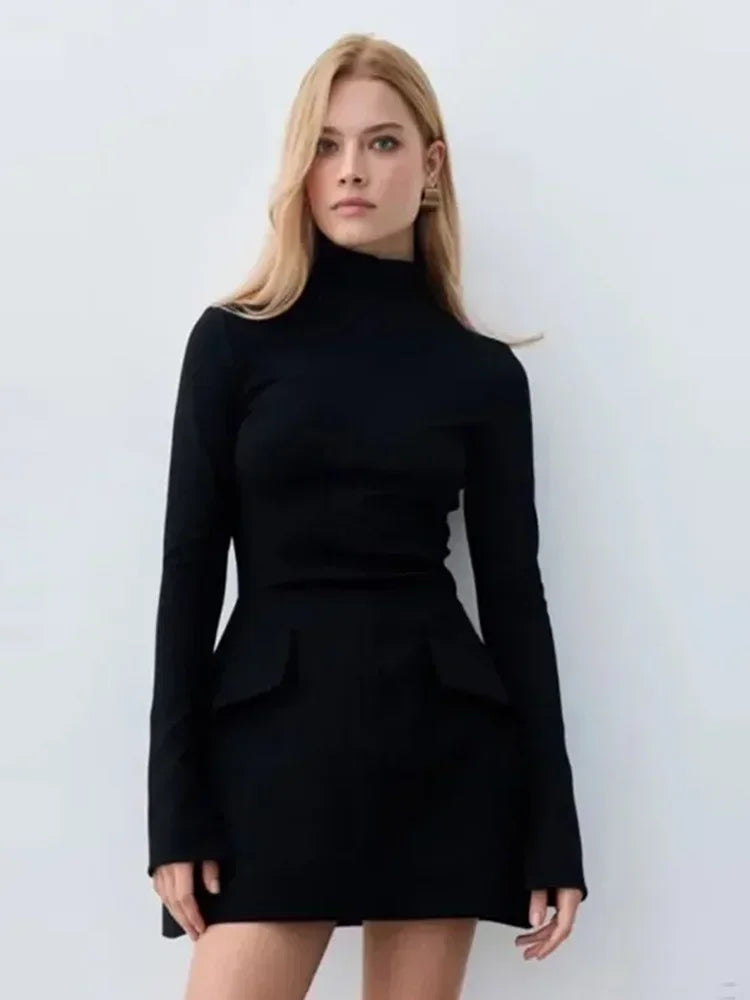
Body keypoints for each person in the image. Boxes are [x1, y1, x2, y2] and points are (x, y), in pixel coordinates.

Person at [146, 31, 588, 1000]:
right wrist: (173, 811)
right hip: (271, 747)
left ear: (430, 167)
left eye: (383, 142)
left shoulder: (482, 373)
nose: (351, 169)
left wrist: (554, 826)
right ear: (300, 166)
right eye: (327, 144)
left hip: (441, 742)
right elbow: (189, 576)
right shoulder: (232, 345)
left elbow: (516, 600)